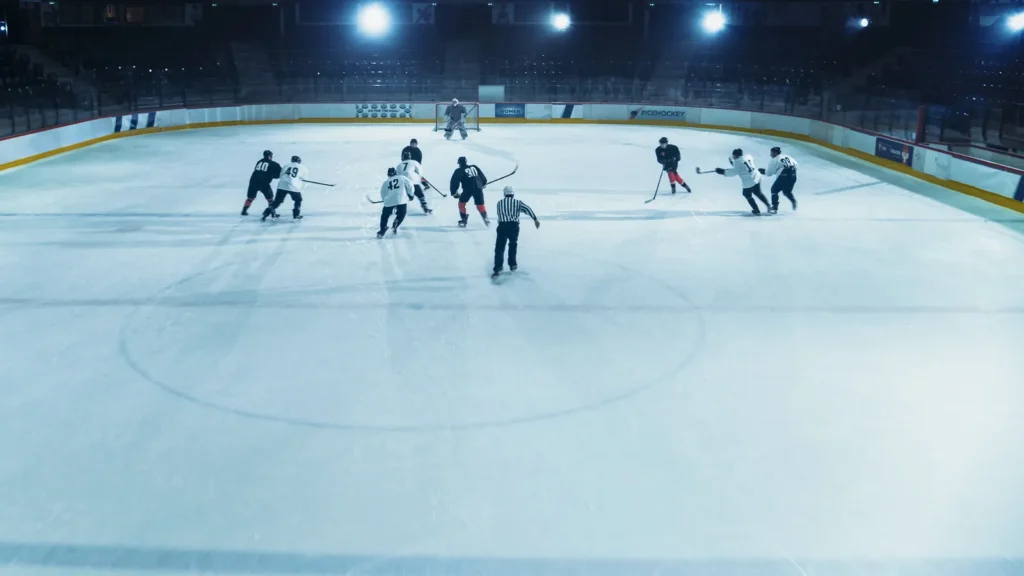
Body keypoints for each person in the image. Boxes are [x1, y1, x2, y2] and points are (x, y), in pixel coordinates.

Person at [492, 185, 539, 279]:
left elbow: (500, 214)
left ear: (504, 193)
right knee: (513, 245)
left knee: (499, 248)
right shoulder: (517, 202)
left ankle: (498, 268)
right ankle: (512, 265)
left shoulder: (499, 203)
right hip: (513, 226)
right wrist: (535, 219)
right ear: (513, 194)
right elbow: (527, 209)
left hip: (502, 226)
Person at [715, 148, 771, 215]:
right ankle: (768, 205)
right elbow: (743, 166)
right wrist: (733, 163)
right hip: (756, 176)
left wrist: (721, 171)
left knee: (746, 194)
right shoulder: (748, 156)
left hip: (749, 181)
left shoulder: (738, 162)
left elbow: (733, 172)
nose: (733, 157)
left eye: (734, 156)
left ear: (736, 156)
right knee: (758, 192)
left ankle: (756, 210)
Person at [261, 155, 308, 221]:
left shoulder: (286, 165)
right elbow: (304, 180)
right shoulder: (303, 168)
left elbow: (281, 175)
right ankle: (296, 214)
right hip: (293, 186)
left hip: (281, 185)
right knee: (298, 200)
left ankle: (266, 212)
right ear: (299, 161)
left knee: (277, 202)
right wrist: (300, 188)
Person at [449, 156, 488, 227]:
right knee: (480, 205)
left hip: (468, 189)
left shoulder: (459, 170)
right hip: (478, 188)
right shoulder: (474, 167)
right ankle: (485, 218)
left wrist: (454, 192)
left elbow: (454, 182)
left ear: (459, 163)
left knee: (461, 203)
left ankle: (464, 220)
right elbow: (482, 176)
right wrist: (483, 183)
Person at [760, 146, 799, 212]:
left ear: (775, 153)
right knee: (786, 191)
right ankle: (793, 201)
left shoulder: (774, 160)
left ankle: (775, 207)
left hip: (784, 175)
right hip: (793, 174)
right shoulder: (787, 156)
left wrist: (763, 171)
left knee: (774, 190)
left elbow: (769, 173)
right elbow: (796, 165)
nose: (770, 155)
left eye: (771, 153)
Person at [377, 167, 414, 238]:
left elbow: (383, 193)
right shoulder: (402, 177)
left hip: (389, 200)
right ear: (396, 173)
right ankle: (397, 221)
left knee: (385, 215)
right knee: (402, 214)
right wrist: (411, 195)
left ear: (388, 174)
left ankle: (382, 230)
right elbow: (410, 185)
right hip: (401, 199)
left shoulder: (386, 182)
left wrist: (385, 200)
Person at [242, 150, 281, 215]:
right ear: (270, 156)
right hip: (264, 183)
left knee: (250, 198)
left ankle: (244, 211)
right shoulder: (274, 164)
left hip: (253, 181)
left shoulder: (259, 162)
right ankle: (272, 213)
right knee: (270, 199)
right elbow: (279, 174)